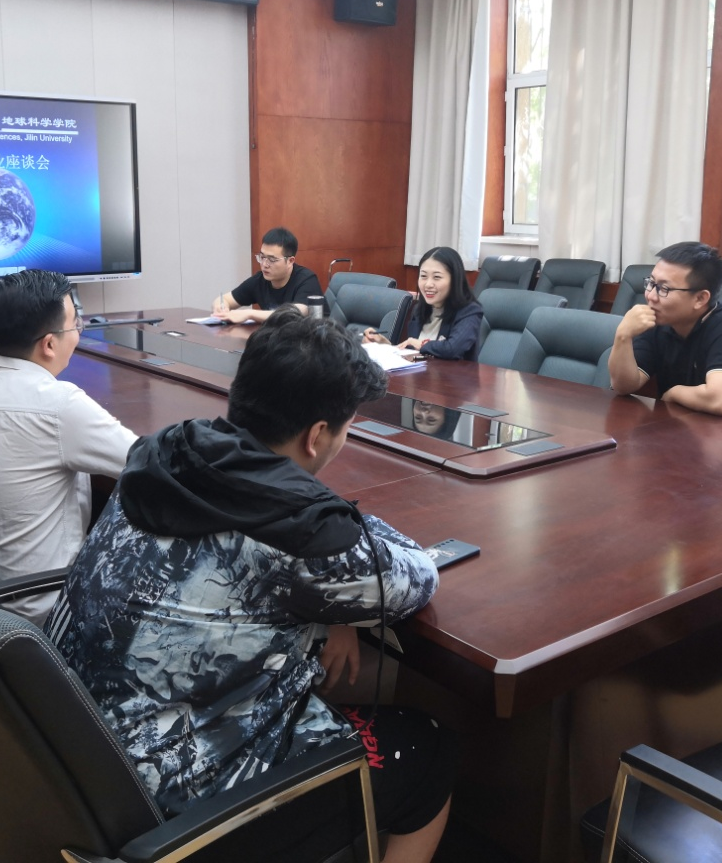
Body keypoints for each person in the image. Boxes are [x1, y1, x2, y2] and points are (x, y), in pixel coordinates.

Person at [48, 308, 453, 863]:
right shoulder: (301, 535)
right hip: (177, 801)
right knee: (428, 749)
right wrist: (324, 511)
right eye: (346, 427)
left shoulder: (163, 456)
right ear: (317, 436)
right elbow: (416, 576)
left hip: (73, 753)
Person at [0, 269, 138, 624]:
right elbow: (145, 460)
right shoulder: (59, 404)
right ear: (49, 344)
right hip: (42, 611)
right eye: (75, 324)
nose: (78, 332)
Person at [607, 241, 722, 418]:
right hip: (678, 426)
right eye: (651, 283)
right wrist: (623, 336)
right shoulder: (657, 319)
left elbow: (721, 400)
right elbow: (623, 386)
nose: (651, 296)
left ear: (700, 298)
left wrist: (674, 393)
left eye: (664, 288)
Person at [363, 246, 483, 361]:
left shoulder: (470, 311)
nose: (428, 284)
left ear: (455, 280)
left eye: (437, 277)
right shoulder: (419, 309)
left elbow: (452, 349)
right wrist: (384, 345)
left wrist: (422, 344)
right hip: (422, 373)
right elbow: (412, 351)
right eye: (423, 276)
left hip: (453, 375)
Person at [210, 226, 325, 322]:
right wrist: (221, 307)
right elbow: (225, 299)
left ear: (290, 261)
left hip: (311, 339)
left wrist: (249, 314)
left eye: (272, 259)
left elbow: (294, 313)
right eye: (262, 257)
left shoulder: (306, 279)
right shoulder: (260, 280)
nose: (264, 264)